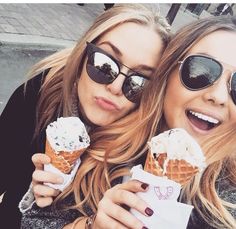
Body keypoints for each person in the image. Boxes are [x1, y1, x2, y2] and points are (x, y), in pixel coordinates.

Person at [23, 15, 236, 229]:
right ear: (167, 73)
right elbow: (34, 222)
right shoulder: (104, 148)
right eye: (201, 70)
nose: (217, 96)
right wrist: (89, 225)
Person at [0, 4, 171, 229]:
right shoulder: (39, 93)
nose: (116, 87)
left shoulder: (146, 153)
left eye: (139, 82)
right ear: (82, 55)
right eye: (104, 64)